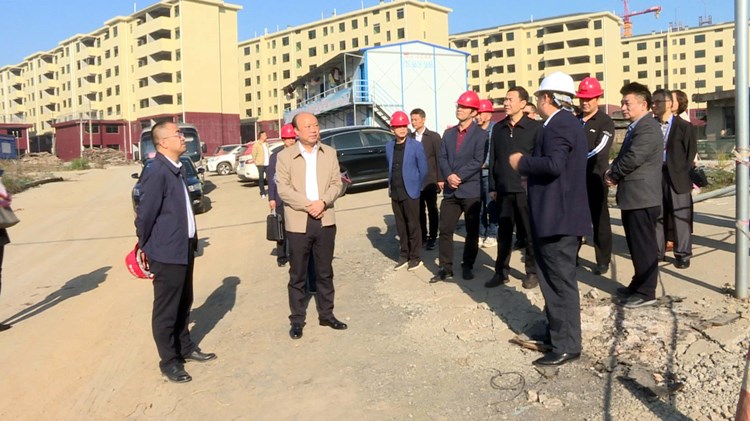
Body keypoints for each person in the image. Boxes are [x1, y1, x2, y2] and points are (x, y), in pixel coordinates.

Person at [509, 71, 591, 367]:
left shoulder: (560, 124)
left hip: (559, 218)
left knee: (559, 281)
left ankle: (567, 344)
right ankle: (558, 331)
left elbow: (554, 164)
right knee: (552, 279)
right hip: (555, 215)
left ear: (546, 97)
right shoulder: (563, 122)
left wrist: (523, 163)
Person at [135, 121, 217, 384]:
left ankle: (185, 347)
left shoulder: (177, 167)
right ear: (163, 142)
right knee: (166, 309)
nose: (183, 138)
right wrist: (146, 245)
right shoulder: (156, 171)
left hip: (184, 247)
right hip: (166, 252)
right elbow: (145, 215)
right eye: (178, 134)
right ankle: (169, 361)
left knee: (184, 301)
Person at [276, 112, 346, 340]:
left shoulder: (329, 153)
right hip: (299, 222)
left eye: (315, 125)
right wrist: (309, 205)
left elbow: (337, 183)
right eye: (307, 126)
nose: (314, 129)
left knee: (325, 271)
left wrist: (323, 202)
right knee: (298, 273)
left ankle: (327, 314)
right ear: (296, 131)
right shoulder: (285, 157)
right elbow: (283, 189)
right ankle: (297, 320)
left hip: (325, 219)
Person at [605, 82, 663, 309]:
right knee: (636, 245)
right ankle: (638, 283)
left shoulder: (647, 127)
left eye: (627, 103)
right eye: (622, 103)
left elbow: (634, 158)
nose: (623, 107)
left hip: (642, 197)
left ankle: (646, 292)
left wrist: (614, 174)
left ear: (643, 104)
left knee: (643, 246)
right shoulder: (637, 126)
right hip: (634, 197)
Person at [486, 87, 541, 289]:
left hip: (526, 190)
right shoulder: (498, 128)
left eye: (510, 99)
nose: (506, 103)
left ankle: (532, 272)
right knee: (504, 234)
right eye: (505, 99)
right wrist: (493, 186)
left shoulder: (535, 128)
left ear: (523, 103)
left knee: (529, 233)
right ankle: (501, 272)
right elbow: (493, 158)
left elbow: (539, 159)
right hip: (503, 189)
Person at [432, 91, 487, 281]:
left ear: (474, 112)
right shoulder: (448, 134)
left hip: (470, 189)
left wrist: (459, 176)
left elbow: (478, 160)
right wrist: (448, 175)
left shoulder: (481, 135)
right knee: (445, 229)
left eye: (464, 107)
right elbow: (442, 157)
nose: (460, 109)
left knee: (472, 231)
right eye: (459, 106)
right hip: (451, 190)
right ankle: (445, 267)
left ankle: (468, 264)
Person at [652, 88, 697, 269]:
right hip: (655, 175)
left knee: (681, 215)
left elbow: (689, 153)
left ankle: (683, 254)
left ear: (669, 104)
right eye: (653, 102)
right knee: (657, 215)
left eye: (658, 102)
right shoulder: (650, 125)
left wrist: (680, 171)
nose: (654, 105)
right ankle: (657, 251)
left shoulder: (684, 126)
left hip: (677, 176)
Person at [575, 77, 615, 275]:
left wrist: (575, 159)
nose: (585, 102)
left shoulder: (605, 121)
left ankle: (603, 260)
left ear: (597, 98)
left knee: (600, 220)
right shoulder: (574, 120)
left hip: (595, 177)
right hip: (575, 180)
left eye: (589, 98)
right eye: (582, 98)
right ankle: (572, 255)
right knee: (574, 219)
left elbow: (600, 148)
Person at [386, 111, 428, 271]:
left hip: (411, 192)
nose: (402, 129)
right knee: (401, 226)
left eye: (404, 126)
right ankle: (404, 255)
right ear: (392, 129)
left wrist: (417, 187)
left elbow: (423, 170)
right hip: (395, 192)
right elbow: (391, 168)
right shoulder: (389, 146)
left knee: (413, 225)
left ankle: (415, 257)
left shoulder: (416, 146)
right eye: (399, 126)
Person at [409, 108, 443, 251]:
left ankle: (433, 237)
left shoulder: (433, 137)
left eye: (416, 119)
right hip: (415, 181)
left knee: (432, 209)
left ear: (423, 119)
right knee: (419, 210)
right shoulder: (410, 137)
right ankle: (423, 236)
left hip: (430, 180)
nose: (413, 122)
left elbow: (439, 158)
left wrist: (440, 179)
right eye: (412, 120)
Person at [267, 124, 298, 267]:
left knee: (295, 229)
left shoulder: (299, 154)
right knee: (281, 229)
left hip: (296, 197)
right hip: (280, 198)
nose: (291, 141)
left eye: (292, 138)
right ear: (283, 139)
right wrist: (272, 198)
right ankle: (281, 257)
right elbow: (271, 179)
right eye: (288, 138)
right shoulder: (275, 157)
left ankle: (296, 255)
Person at [477, 99, 499, 249]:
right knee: (479, 207)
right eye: (477, 113)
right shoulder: (474, 130)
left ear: (489, 114)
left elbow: (493, 152)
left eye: (481, 113)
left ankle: (492, 234)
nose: (478, 116)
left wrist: (484, 164)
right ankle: (481, 233)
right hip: (474, 175)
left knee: (491, 205)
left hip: (489, 173)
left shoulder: (495, 129)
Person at [252, 131, 270, 198]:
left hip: (267, 163)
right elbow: (254, 154)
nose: (266, 136)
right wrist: (256, 162)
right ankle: (262, 193)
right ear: (261, 136)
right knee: (261, 178)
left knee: (270, 178)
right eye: (265, 135)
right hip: (260, 164)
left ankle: (271, 190)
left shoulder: (266, 144)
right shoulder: (257, 144)